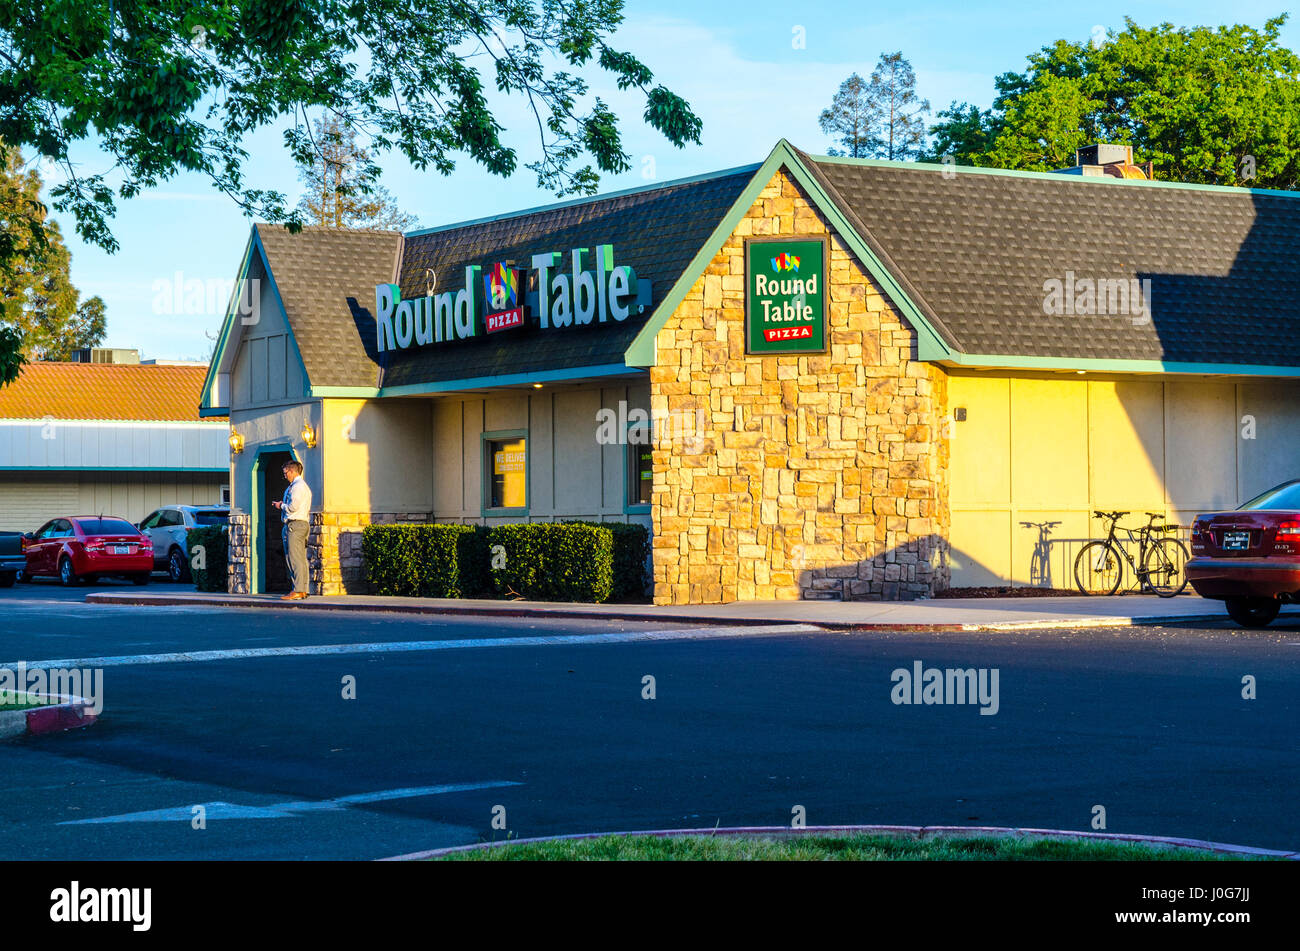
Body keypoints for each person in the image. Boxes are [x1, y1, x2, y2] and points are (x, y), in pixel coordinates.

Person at [271, 459, 312, 600]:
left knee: (294, 558)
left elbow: (293, 507)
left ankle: (298, 589)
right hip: (301, 524)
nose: (285, 476)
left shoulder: (297, 487)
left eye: (285, 473)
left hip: (294, 525)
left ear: (293, 471)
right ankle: (303, 589)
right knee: (300, 558)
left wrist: (281, 505)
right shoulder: (301, 486)